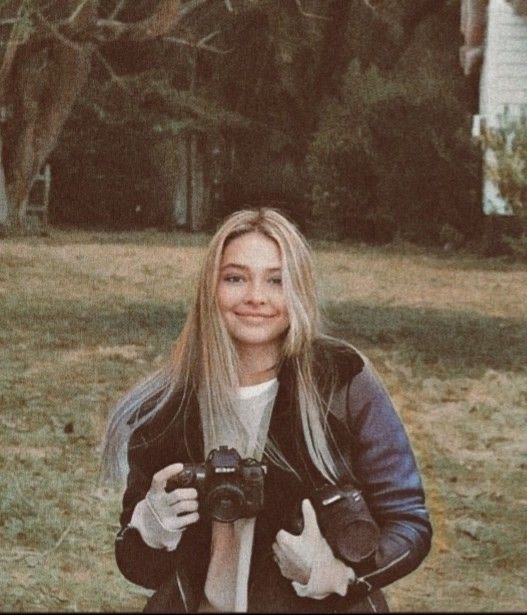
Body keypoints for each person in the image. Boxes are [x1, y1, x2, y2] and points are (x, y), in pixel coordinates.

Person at [101, 208, 432, 613]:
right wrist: (150, 530)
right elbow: (141, 568)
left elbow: (409, 522)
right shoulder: (165, 407)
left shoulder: (341, 380)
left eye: (276, 280)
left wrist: (336, 574)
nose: (256, 297)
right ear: (210, 289)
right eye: (235, 278)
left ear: (299, 289)